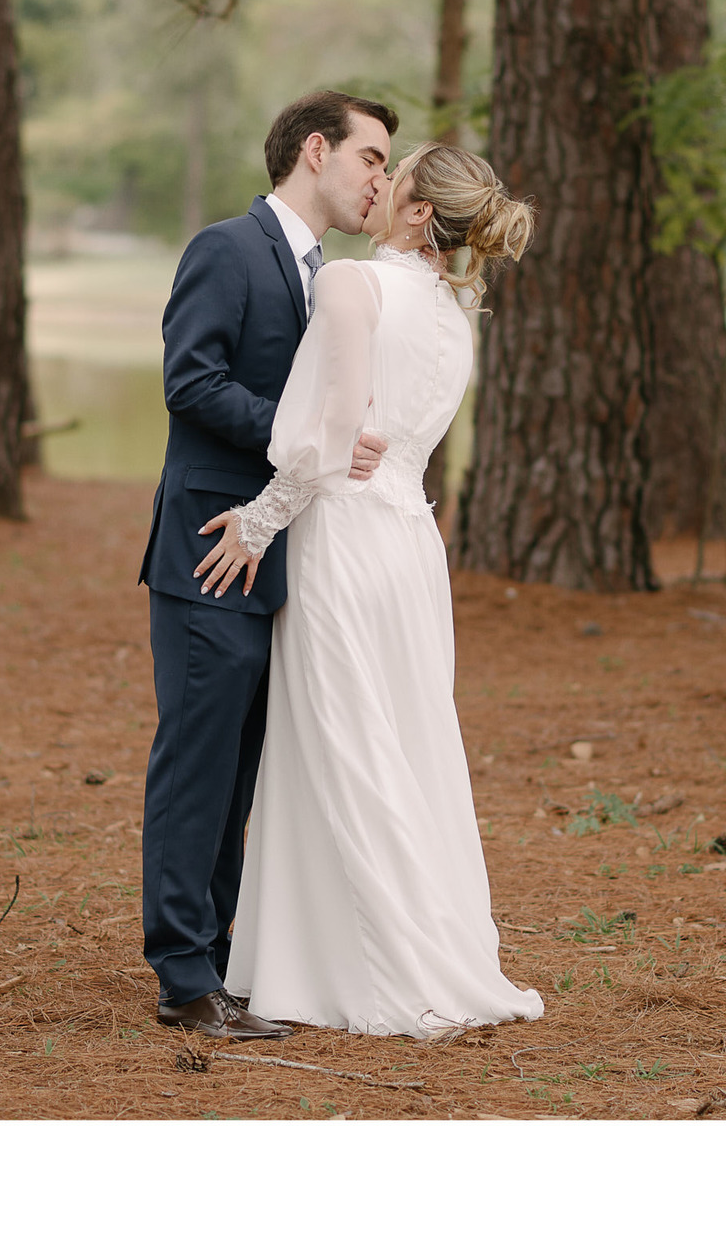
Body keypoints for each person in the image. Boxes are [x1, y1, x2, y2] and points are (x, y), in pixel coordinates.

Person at [195, 141, 547, 1037]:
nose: (378, 185)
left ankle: (375, 964)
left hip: (345, 541)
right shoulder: (456, 319)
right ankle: (399, 946)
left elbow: (331, 432)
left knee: (344, 740)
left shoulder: (353, 286)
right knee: (406, 738)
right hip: (411, 546)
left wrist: (256, 522)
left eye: (396, 176)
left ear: (421, 213)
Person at [138, 90, 397, 1041]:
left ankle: (211, 955)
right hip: (212, 546)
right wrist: (309, 442)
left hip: (277, 551)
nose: (379, 179)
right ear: (315, 150)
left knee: (242, 769)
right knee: (199, 762)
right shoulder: (228, 247)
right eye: (370, 158)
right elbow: (190, 381)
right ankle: (180, 973)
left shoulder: (320, 268)